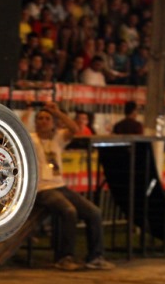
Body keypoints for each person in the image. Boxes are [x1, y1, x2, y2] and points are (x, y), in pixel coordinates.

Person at [31, 103, 114, 271]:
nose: (43, 121)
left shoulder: (58, 138)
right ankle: (64, 257)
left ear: (53, 123)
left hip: (60, 186)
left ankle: (95, 257)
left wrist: (57, 112)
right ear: (35, 122)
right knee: (69, 211)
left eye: (47, 119)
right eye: (40, 118)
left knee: (94, 212)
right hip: (42, 188)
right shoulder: (30, 139)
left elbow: (75, 129)